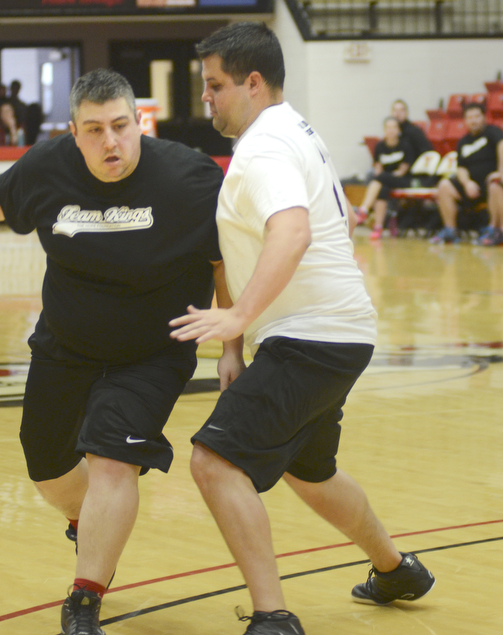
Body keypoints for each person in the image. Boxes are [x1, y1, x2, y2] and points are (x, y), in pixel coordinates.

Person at [0, 68, 227, 635]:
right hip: (66, 344)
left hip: (152, 353)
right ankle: (80, 517)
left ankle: (85, 595)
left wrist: (232, 344)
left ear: (138, 122)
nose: (110, 141)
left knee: (113, 459)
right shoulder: (48, 167)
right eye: (93, 130)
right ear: (73, 131)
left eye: (120, 125)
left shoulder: (189, 179)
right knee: (46, 466)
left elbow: (222, 259)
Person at [170, 22, 435, 635]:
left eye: (214, 85)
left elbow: (291, 232)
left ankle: (273, 618)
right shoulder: (292, 132)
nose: (206, 97)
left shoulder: (264, 147)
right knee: (308, 469)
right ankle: (396, 569)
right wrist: (235, 344)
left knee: (214, 462)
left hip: (312, 336)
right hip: (335, 333)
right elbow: (245, 251)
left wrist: (236, 317)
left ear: (253, 82)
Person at [430, 102, 503, 244]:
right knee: (444, 185)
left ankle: (495, 230)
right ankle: (450, 230)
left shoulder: (494, 132)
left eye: (477, 116)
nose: (473, 120)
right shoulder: (463, 141)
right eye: (470, 117)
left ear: (484, 117)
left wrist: (500, 173)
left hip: (491, 183)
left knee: (496, 184)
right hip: (472, 186)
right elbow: (461, 168)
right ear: (465, 120)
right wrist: (467, 182)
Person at [356, 116, 416, 239]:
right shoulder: (380, 147)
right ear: (384, 130)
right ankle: (378, 227)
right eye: (388, 127)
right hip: (384, 181)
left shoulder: (405, 145)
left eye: (394, 127)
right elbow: (378, 168)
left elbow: (402, 171)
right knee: (381, 190)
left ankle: (364, 209)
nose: (391, 130)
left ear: (398, 130)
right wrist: (383, 177)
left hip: (401, 180)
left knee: (381, 179)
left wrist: (385, 176)